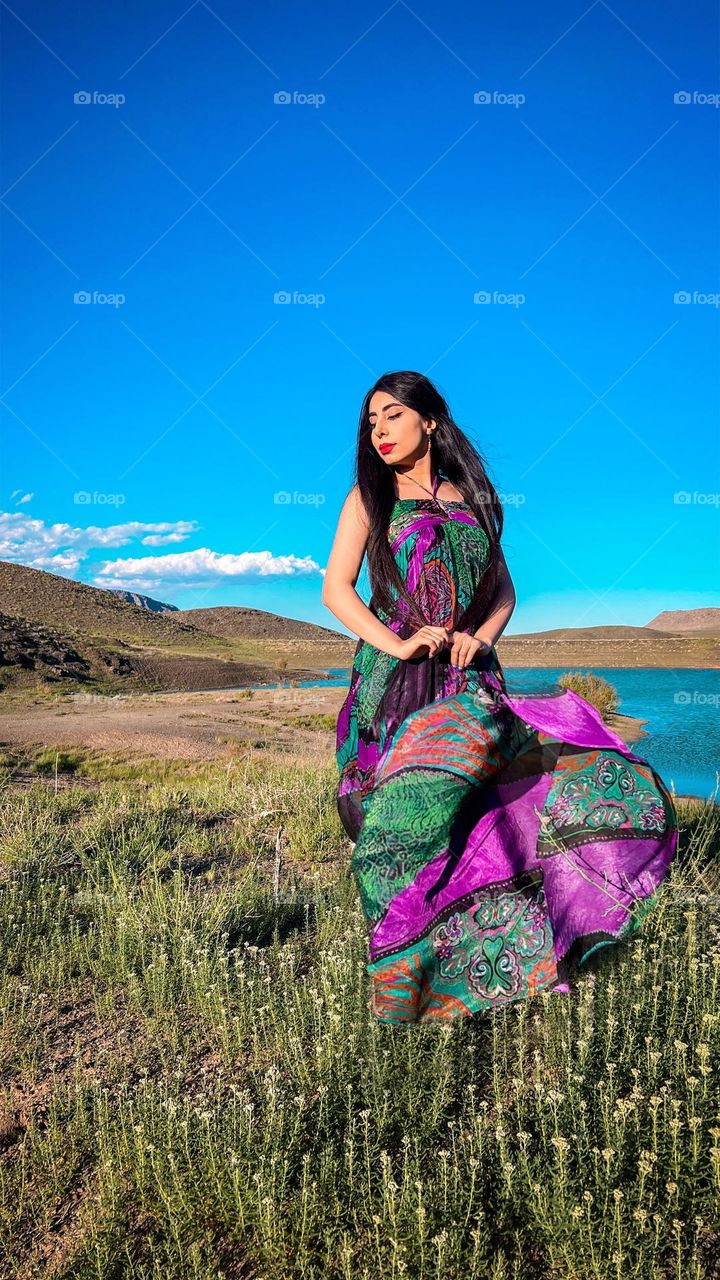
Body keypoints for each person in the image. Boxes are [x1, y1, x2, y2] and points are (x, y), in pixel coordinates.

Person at [322, 371, 678, 1024]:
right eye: (371, 421)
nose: (379, 431)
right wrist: (401, 645)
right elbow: (336, 590)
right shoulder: (370, 498)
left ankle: (494, 961)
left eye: (393, 415)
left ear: (431, 420)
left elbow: (505, 590)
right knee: (401, 823)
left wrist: (479, 638)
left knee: (489, 811)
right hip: (398, 683)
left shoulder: (471, 498)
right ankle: (406, 981)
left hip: (471, 678)